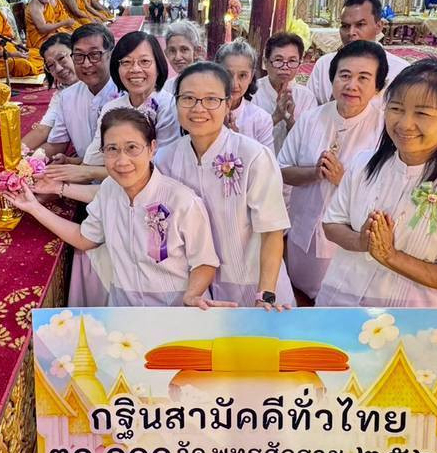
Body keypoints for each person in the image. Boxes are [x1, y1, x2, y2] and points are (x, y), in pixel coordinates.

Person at [320, 59, 437, 307]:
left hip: (407, 318)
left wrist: (390, 256)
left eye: (422, 113)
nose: (404, 124)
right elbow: (331, 223)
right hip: (340, 299)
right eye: (396, 109)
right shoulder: (363, 163)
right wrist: (361, 242)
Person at [9, 109, 227, 308]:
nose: (122, 161)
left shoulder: (182, 201)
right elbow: (85, 238)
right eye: (112, 149)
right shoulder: (109, 190)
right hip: (124, 309)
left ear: (152, 148)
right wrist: (34, 207)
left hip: (174, 310)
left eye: (132, 148)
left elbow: (204, 262)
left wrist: (192, 295)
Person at [157, 62, 295, 309]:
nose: (198, 108)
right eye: (188, 98)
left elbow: (272, 230)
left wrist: (266, 294)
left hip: (256, 283)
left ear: (228, 103)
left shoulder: (253, 156)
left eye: (211, 99)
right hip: (196, 289)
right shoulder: (165, 159)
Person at [279, 40, 388, 301]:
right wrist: (314, 173)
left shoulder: (385, 129)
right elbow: (282, 169)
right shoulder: (311, 118)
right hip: (303, 227)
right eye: (344, 75)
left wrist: (343, 180)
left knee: (335, 301)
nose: (352, 85)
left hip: (346, 240)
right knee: (296, 293)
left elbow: (386, 193)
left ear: (378, 87)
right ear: (333, 78)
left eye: (363, 78)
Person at [82, 31, 180, 166]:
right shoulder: (111, 108)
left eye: (144, 61)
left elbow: (159, 165)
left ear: (158, 66)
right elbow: (93, 159)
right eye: (126, 62)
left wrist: (88, 173)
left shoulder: (169, 106)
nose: (135, 69)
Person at [39, 23, 119, 183]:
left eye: (94, 55)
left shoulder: (126, 94)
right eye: (79, 56)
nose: (86, 64)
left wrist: (81, 170)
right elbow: (56, 144)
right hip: (84, 174)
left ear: (110, 54)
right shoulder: (67, 97)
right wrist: (25, 162)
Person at [308, 0, 410, 107]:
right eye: (345, 26)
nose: (351, 33)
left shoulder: (400, 71)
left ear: (378, 26)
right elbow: (310, 110)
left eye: (360, 25)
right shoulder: (324, 64)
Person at [252, 32, 315, 153]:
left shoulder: (306, 97)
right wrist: (276, 117)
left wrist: (289, 119)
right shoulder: (253, 93)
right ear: (265, 62)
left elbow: (308, 143)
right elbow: (246, 139)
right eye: (278, 60)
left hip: (292, 164)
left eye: (292, 61)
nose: (285, 67)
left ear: (299, 64)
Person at [213, 39, 275, 150]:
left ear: (251, 77)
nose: (234, 84)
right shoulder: (203, 112)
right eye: (227, 74)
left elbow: (267, 160)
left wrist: (237, 140)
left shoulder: (261, 119)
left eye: (242, 75)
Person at [23, 33, 79, 150]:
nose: (58, 68)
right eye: (51, 65)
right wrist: (13, 156)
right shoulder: (62, 94)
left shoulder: (98, 84)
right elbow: (44, 130)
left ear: (77, 53)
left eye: (61, 58)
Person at [26, 0, 77, 67]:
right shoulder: (35, 6)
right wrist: (64, 23)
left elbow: (54, 18)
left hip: (51, 33)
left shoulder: (46, 3)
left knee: (74, 35)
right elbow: (42, 28)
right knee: (68, 41)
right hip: (40, 39)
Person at [161, 20, 206, 92]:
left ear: (197, 51)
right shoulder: (167, 88)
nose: (177, 57)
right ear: (166, 53)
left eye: (184, 49)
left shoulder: (209, 85)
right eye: (172, 51)